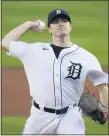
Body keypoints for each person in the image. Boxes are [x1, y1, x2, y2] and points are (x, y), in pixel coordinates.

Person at [1, 9, 108, 135]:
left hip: (70, 115)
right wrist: (28, 25)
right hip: (39, 116)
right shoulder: (33, 50)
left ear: (70, 26)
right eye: (56, 22)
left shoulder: (86, 57)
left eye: (64, 21)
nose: (61, 23)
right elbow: (4, 43)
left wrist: (105, 110)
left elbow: (102, 86)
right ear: (49, 29)